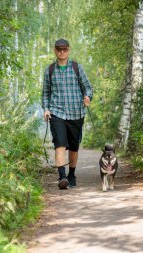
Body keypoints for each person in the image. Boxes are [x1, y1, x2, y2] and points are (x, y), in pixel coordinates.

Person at [42, 38, 93, 189]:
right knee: (60, 144)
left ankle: (71, 175)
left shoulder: (77, 67)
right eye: (59, 49)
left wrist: (88, 97)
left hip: (76, 112)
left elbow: (88, 87)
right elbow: (45, 93)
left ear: (69, 50)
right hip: (56, 112)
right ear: (55, 50)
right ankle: (62, 177)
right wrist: (46, 109)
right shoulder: (49, 70)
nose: (62, 52)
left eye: (64, 49)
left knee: (74, 147)